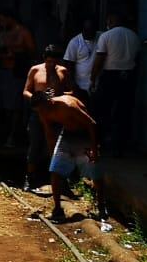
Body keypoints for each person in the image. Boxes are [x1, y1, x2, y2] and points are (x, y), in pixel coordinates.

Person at [32, 91, 103, 224]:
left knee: (94, 172)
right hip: (66, 135)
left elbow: (91, 124)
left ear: (49, 102)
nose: (42, 112)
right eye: (39, 111)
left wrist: (94, 149)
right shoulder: (43, 111)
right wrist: (53, 154)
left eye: (43, 109)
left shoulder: (68, 105)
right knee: (55, 171)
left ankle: (101, 208)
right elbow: (49, 132)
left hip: (84, 135)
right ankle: (57, 209)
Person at [21, 45, 71, 192]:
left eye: (54, 62)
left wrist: (59, 97)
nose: (51, 64)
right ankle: (30, 178)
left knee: (58, 147)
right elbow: (26, 91)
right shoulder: (35, 70)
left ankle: (61, 181)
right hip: (38, 113)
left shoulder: (63, 71)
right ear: (44, 59)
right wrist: (38, 98)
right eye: (49, 61)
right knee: (35, 145)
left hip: (56, 114)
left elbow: (71, 90)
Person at [91, 11, 140, 155]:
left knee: (102, 110)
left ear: (111, 21)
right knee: (124, 111)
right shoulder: (134, 36)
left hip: (110, 75)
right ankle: (119, 147)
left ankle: (100, 143)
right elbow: (138, 59)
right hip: (128, 76)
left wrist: (93, 78)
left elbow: (99, 59)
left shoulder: (106, 36)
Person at [0, 11, 35, 146]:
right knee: (0, 105)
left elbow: (32, 51)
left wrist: (17, 53)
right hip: (2, 71)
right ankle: (2, 133)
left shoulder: (23, 32)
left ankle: (14, 135)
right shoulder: (3, 33)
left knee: (15, 105)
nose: (1, 23)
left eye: (3, 20)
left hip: (16, 72)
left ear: (10, 18)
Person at [63, 18, 97, 99]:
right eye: (87, 30)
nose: (89, 33)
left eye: (92, 30)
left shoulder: (101, 37)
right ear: (82, 30)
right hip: (80, 86)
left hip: (96, 85)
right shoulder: (75, 42)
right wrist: (73, 85)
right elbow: (68, 65)